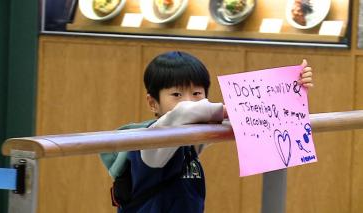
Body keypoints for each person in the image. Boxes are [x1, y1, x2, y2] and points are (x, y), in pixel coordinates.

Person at [101, 51, 313, 213]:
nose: (188, 101)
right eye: (176, 94)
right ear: (153, 103)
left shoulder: (191, 137)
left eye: (196, 93)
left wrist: (292, 88)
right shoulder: (152, 142)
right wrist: (229, 109)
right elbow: (184, 112)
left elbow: (251, 121)